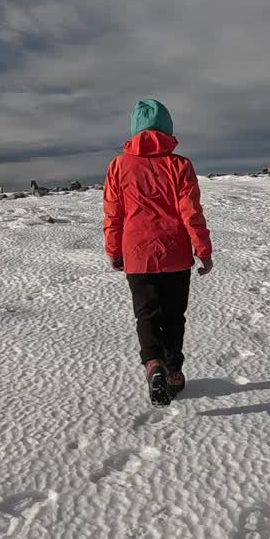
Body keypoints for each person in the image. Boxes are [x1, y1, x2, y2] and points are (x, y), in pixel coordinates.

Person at [103, 99, 213, 407]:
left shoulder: (118, 166)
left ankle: (153, 365)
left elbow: (113, 213)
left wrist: (113, 249)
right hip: (175, 253)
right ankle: (174, 372)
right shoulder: (180, 165)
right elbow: (191, 212)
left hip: (137, 254)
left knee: (146, 314)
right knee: (174, 315)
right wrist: (203, 250)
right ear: (168, 128)